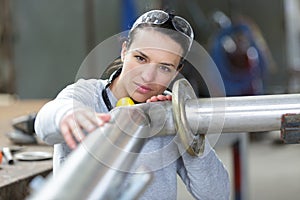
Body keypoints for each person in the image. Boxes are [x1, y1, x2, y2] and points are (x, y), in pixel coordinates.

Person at [35, 9, 230, 199]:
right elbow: (43, 124)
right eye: (141, 58)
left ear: (177, 71)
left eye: (164, 67)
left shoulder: (171, 110)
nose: (147, 77)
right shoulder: (86, 96)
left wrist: (184, 130)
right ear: (124, 51)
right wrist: (67, 115)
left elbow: (218, 194)